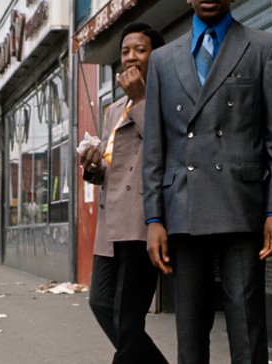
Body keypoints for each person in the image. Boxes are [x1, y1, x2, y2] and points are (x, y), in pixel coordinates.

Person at [142, 0, 272, 364]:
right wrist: (154, 219)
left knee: (247, 328)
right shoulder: (162, 61)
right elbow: (155, 148)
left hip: (241, 209)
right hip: (183, 209)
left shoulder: (264, 48)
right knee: (190, 333)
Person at [79, 22, 168, 364]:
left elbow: (165, 150)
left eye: (140, 50)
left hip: (142, 221)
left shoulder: (164, 98)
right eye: (125, 51)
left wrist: (142, 99)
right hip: (110, 223)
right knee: (100, 302)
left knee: (128, 320)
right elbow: (112, 167)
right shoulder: (114, 110)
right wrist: (92, 166)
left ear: (156, 57)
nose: (131, 57)